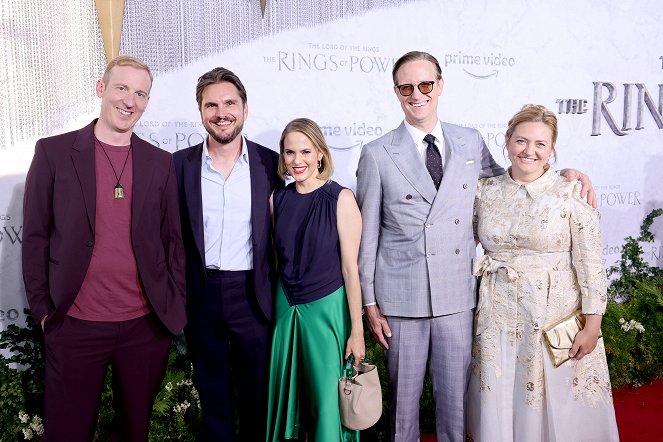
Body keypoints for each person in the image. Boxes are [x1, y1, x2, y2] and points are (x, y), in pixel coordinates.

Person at [355, 51, 595, 442]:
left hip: (457, 295)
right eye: (407, 87)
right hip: (400, 298)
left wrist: (563, 174)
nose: (417, 95)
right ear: (396, 92)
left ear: (440, 85)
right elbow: (369, 236)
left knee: (456, 405)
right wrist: (369, 302)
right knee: (403, 406)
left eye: (426, 84)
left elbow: (511, 183)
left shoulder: (469, 140)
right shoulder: (377, 152)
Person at [21, 55, 186, 441]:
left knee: (135, 433)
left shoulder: (160, 163)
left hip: (144, 327)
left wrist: (172, 309)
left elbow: (173, 241)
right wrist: (44, 312)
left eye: (140, 93)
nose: (130, 101)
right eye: (122, 88)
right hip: (75, 324)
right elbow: (35, 238)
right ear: (102, 89)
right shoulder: (54, 153)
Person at [467, 104, 619, 441]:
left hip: (554, 318)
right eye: (521, 141)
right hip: (497, 317)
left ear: (552, 149)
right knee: (501, 389)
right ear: (507, 141)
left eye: (540, 144)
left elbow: (591, 263)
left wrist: (592, 324)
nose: (529, 151)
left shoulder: (570, 193)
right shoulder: (484, 191)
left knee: (558, 404)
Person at [173, 67, 282, 441]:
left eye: (230, 103)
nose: (222, 113)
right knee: (213, 394)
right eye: (211, 105)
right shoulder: (179, 166)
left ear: (245, 108)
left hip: (254, 294)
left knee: (258, 396)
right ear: (201, 111)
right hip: (202, 294)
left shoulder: (273, 165)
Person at [266, 118, 365, 442]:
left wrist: (357, 331)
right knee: (287, 400)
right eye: (290, 152)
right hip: (286, 309)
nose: (298, 160)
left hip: (326, 311)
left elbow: (351, 270)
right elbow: (278, 260)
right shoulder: (276, 200)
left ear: (321, 154)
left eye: (306, 151)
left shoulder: (341, 199)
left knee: (328, 404)